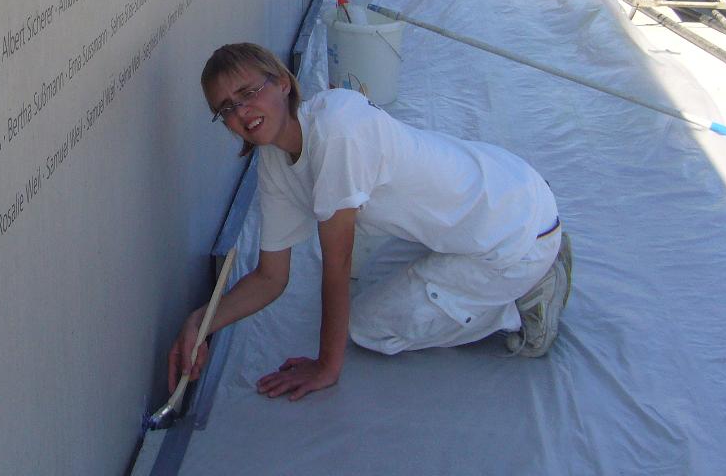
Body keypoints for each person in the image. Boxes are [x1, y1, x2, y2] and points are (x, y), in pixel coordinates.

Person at [168, 42, 572, 402]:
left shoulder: (336, 132)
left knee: (367, 326)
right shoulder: (275, 158)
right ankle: (517, 262)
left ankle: (523, 299)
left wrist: (326, 366)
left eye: (248, 92)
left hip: (514, 234)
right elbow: (271, 277)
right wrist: (200, 324)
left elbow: (337, 264)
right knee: (371, 284)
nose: (241, 111)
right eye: (226, 108)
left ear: (283, 83)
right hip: (505, 187)